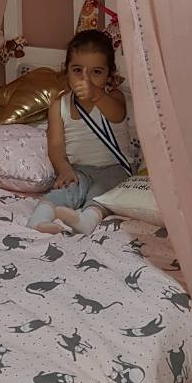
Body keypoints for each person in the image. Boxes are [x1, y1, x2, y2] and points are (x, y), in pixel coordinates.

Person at [27, 29, 132, 235]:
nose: (86, 79)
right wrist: (64, 169)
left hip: (114, 169)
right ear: (65, 70)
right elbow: (56, 146)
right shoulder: (59, 106)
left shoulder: (114, 97)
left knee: (104, 193)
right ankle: (39, 219)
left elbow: (117, 115)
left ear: (109, 75)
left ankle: (86, 220)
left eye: (96, 72)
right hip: (78, 170)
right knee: (65, 190)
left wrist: (97, 96)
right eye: (77, 70)